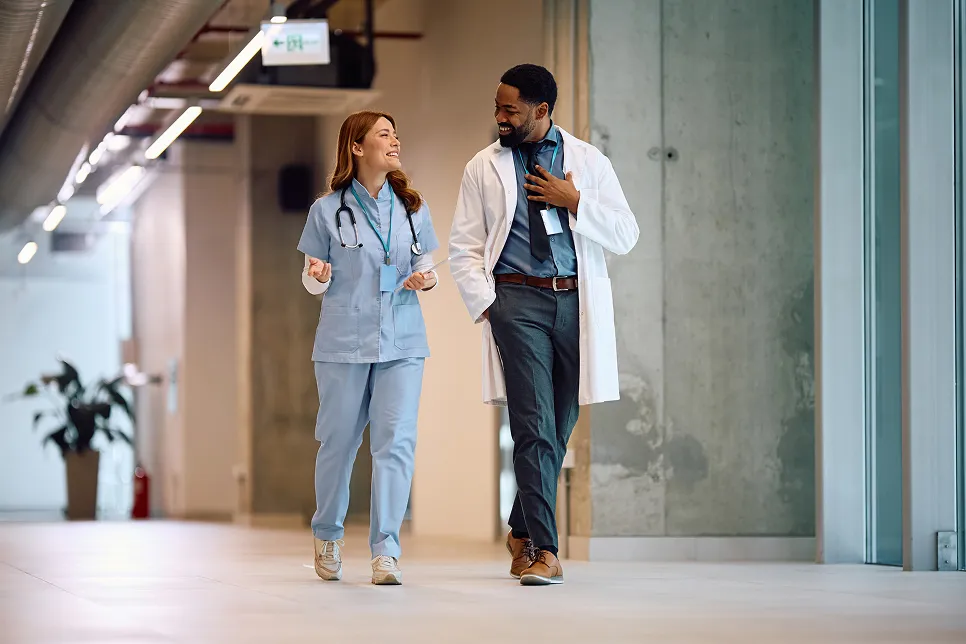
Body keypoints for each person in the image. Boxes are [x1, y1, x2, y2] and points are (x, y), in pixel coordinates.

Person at [449, 64, 639, 586]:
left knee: (557, 428)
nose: (500, 118)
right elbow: (463, 245)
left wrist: (573, 200)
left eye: (510, 109)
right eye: (498, 108)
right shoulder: (481, 166)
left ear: (542, 110)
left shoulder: (588, 162)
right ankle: (544, 549)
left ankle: (518, 526)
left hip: (574, 303)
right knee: (532, 426)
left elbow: (626, 233)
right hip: (517, 304)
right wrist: (490, 305)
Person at [298, 110, 440, 586]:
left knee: (396, 445)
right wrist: (316, 277)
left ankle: (386, 550)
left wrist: (427, 278)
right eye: (384, 134)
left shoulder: (413, 206)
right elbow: (313, 273)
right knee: (338, 443)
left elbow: (426, 264)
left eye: (396, 133)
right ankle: (328, 533)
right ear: (357, 148)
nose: (394, 140)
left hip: (403, 340)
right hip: (343, 341)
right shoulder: (327, 209)